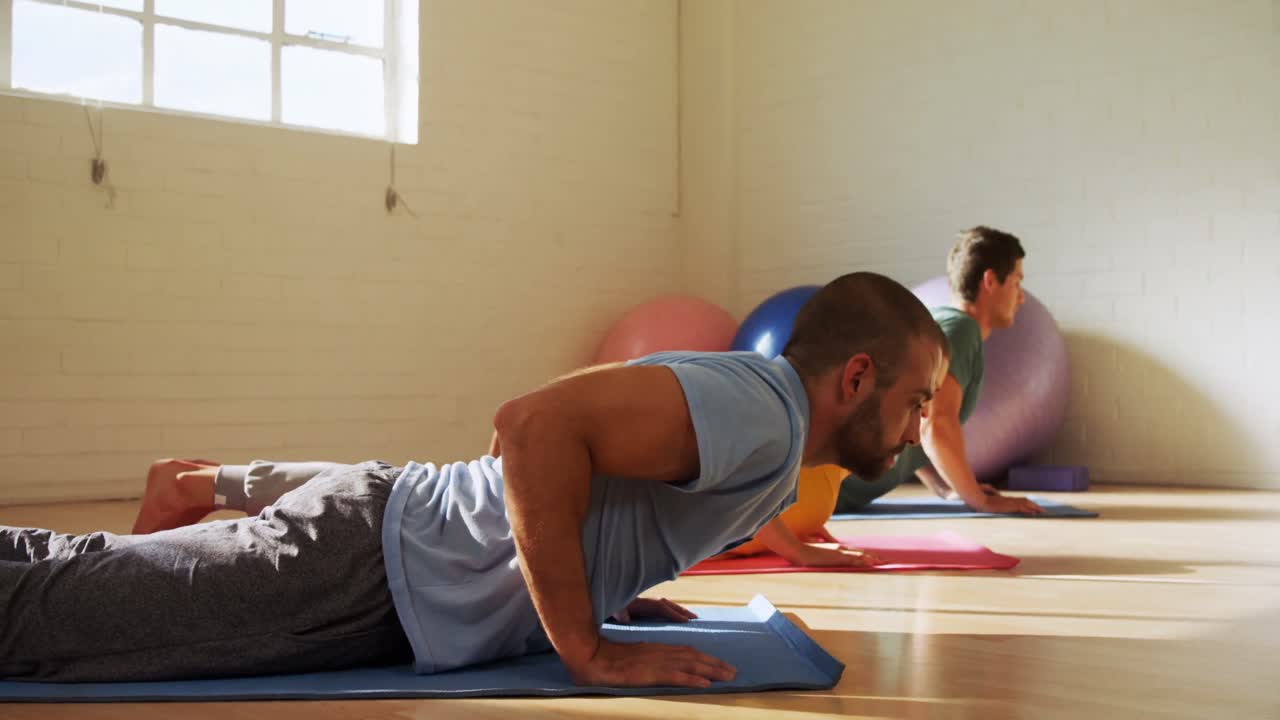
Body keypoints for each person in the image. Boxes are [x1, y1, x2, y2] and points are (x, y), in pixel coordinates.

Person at [1, 272, 947, 687]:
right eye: (916, 403)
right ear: (856, 376)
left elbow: (550, 434)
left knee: (68, 583)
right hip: (367, 570)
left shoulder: (770, 433)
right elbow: (532, 427)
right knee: (49, 617)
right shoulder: (767, 413)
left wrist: (605, 588)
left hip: (386, 554)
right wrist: (583, 645)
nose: (916, 434)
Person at [834, 227, 1045, 516]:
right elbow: (935, 423)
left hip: (830, 495)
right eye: (1016, 282)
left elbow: (914, 417)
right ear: (990, 280)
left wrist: (947, 486)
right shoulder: (960, 330)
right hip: (827, 495)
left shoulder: (941, 324)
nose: (1020, 297)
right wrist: (980, 501)